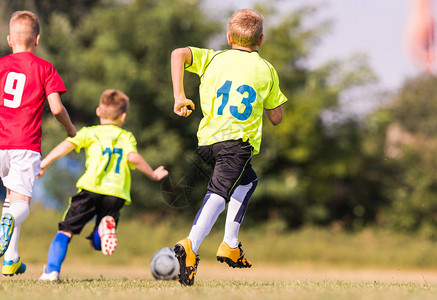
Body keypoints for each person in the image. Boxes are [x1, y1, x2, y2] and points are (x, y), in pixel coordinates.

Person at [171, 9, 287, 286]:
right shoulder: (266, 69)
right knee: (219, 193)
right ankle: (191, 244)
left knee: (247, 182)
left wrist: (179, 96)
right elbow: (276, 117)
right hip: (237, 144)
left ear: (228, 36)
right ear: (260, 40)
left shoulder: (213, 58)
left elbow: (178, 53)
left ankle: (230, 244)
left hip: (208, 142)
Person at [38, 89, 168, 281]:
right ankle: (102, 230)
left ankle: (51, 271)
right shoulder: (126, 137)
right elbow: (133, 157)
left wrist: (44, 163)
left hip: (91, 188)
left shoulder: (90, 132)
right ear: (123, 116)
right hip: (116, 193)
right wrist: (153, 173)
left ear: (98, 111)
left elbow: (67, 144)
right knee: (98, 244)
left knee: (65, 230)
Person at [0, 10, 76, 277]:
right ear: (38, 40)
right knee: (20, 205)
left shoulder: (0, 65)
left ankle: (11, 259)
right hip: (24, 143)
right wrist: (70, 130)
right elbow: (56, 109)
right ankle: (9, 222)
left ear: (10, 39)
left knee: (10, 197)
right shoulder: (44, 68)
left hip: (1, 143)